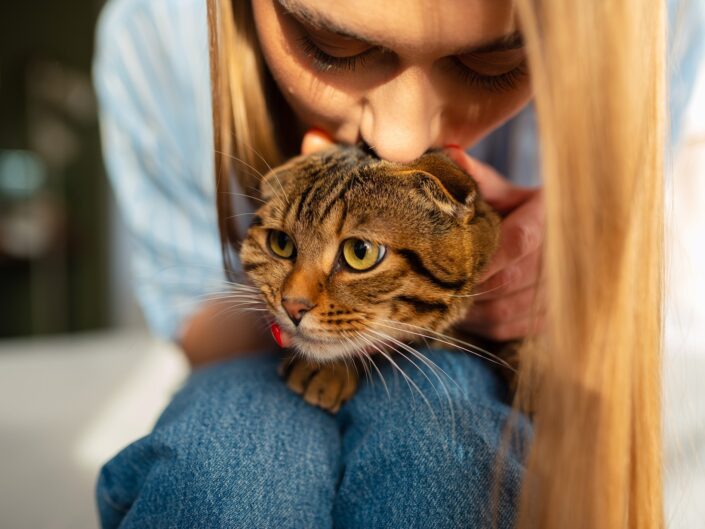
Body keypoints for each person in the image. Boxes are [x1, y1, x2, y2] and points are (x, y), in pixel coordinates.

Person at [92, 0, 703, 527]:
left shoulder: (656, 17)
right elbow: (196, 312)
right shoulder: (154, 32)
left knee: (439, 437)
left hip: (472, 371)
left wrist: (579, 274)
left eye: (492, 62)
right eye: (333, 44)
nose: (402, 140)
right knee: (236, 459)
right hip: (255, 352)